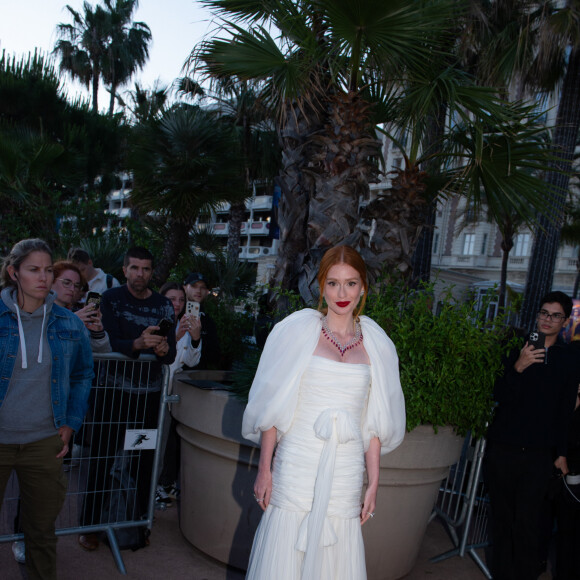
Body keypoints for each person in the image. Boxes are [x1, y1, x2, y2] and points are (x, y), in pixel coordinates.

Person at [242, 245, 406, 579]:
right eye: (333, 283)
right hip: (298, 462)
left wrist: (373, 482)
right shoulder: (297, 331)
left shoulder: (377, 343)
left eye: (350, 283)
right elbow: (275, 406)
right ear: (321, 287)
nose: (341, 293)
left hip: (345, 469)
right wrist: (264, 469)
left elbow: (374, 422)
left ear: (363, 287)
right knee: (286, 550)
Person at [0, 239, 93, 580]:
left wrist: (70, 423)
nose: (43, 277)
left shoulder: (70, 324)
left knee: (40, 534)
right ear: (14, 273)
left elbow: (83, 374)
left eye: (47, 271)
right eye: (33, 270)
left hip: (45, 444)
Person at [79, 246, 176, 551]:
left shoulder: (163, 305)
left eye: (146, 269)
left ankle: (136, 523)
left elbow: (170, 352)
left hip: (147, 401)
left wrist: (161, 351)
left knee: (142, 461)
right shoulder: (110, 299)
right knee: (103, 459)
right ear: (124, 270)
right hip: (113, 395)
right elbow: (106, 343)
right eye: (135, 268)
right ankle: (90, 526)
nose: (140, 274)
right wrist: (137, 343)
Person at [485, 291, 580, 580]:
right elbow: (497, 393)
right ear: (537, 315)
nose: (547, 319)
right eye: (543, 313)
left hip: (539, 455)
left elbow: (565, 410)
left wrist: (561, 453)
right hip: (504, 447)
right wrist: (519, 366)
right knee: (501, 519)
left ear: (564, 321)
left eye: (555, 315)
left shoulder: (568, 359)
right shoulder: (515, 347)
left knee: (528, 522)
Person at [155, 281, 201, 506]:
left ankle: (155, 487)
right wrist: (176, 335)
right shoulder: (156, 320)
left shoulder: (185, 325)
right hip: (149, 392)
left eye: (181, 300)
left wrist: (194, 337)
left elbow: (191, 360)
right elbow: (155, 355)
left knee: (162, 444)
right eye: (172, 299)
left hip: (167, 396)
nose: (178, 304)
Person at [52, 260, 111, 353]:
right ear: (51, 281)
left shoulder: (78, 315)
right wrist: (72, 320)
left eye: (76, 285)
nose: (72, 289)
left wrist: (97, 333)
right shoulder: (37, 310)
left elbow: (104, 353)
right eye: (66, 283)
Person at [183, 272, 221, 369]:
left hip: (195, 377)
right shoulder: (174, 313)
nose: (198, 290)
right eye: (194, 286)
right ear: (185, 288)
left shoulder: (208, 322)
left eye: (203, 287)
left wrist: (197, 339)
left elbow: (214, 356)